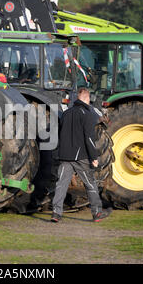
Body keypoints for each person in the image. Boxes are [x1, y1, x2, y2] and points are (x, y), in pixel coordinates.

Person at [51, 88, 111, 223]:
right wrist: (94, 157)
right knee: (90, 184)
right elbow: (89, 138)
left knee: (61, 185)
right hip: (81, 157)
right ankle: (97, 213)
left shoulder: (66, 114)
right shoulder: (88, 114)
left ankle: (56, 213)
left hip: (65, 156)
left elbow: (61, 134)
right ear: (87, 99)